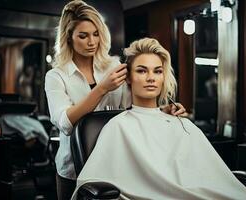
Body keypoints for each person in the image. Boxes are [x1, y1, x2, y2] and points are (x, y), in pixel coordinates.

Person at [72, 38, 246, 200]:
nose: (151, 78)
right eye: (142, 71)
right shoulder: (118, 126)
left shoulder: (180, 122)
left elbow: (211, 174)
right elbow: (92, 183)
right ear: (128, 78)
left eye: (158, 71)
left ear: (164, 77)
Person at [44, 1, 186, 200]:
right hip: (73, 168)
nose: (91, 42)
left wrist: (163, 110)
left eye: (95, 34)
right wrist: (102, 89)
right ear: (69, 38)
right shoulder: (56, 76)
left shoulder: (113, 66)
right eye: (83, 36)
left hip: (116, 161)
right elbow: (66, 123)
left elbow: (133, 107)